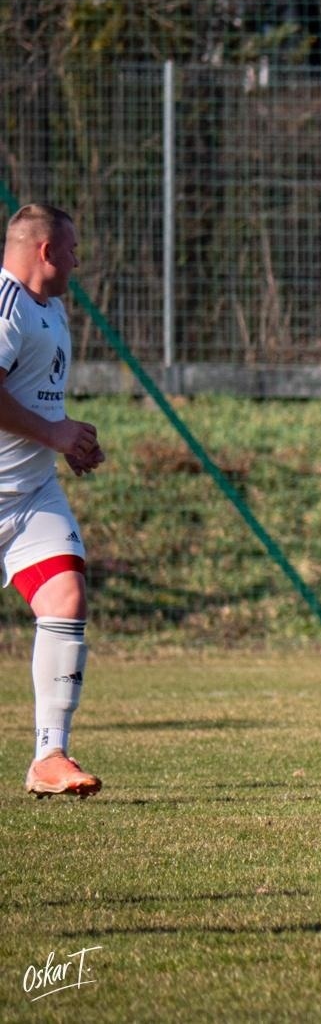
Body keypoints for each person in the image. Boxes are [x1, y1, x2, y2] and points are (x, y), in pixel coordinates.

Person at [0, 204, 105, 798]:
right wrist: (55, 434)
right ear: (45, 252)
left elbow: (33, 399)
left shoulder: (52, 309)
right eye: (71, 250)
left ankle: (50, 756)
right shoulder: (5, 306)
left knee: (66, 595)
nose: (76, 261)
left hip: (29, 493)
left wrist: (67, 440)